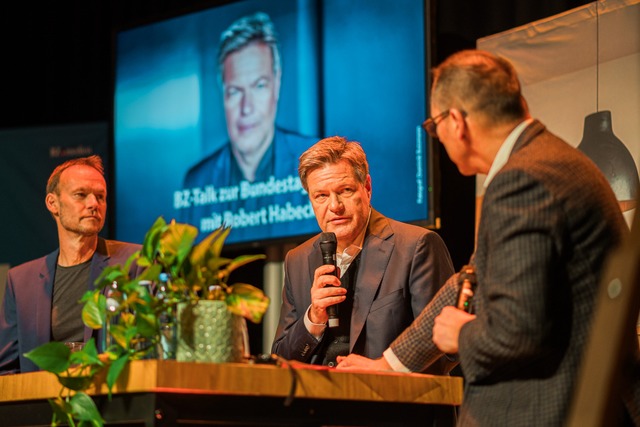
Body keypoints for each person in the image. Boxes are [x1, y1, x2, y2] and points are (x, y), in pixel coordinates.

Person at [335, 50, 639, 426]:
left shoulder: (523, 178)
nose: (439, 138)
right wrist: (389, 363)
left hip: (557, 406)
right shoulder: (544, 160)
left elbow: (521, 332)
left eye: (434, 126)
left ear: (456, 121)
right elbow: (470, 281)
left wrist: (460, 335)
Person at [271, 136, 455, 368]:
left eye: (345, 190)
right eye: (321, 196)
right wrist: (313, 318)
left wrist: (385, 370)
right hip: (318, 400)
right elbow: (280, 359)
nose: (335, 206)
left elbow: (447, 347)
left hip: (389, 400)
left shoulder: (416, 246)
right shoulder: (297, 259)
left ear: (367, 188)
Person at [181, 12, 318, 242]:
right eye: (234, 91)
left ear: (277, 83)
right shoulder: (197, 182)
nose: (246, 108)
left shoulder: (317, 161)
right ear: (222, 94)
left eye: (259, 86)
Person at [0, 155, 143, 374]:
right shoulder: (21, 281)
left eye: (100, 196)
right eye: (81, 195)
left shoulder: (134, 261)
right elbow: (7, 370)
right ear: (53, 203)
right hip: (42, 404)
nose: (93, 204)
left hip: (113, 400)